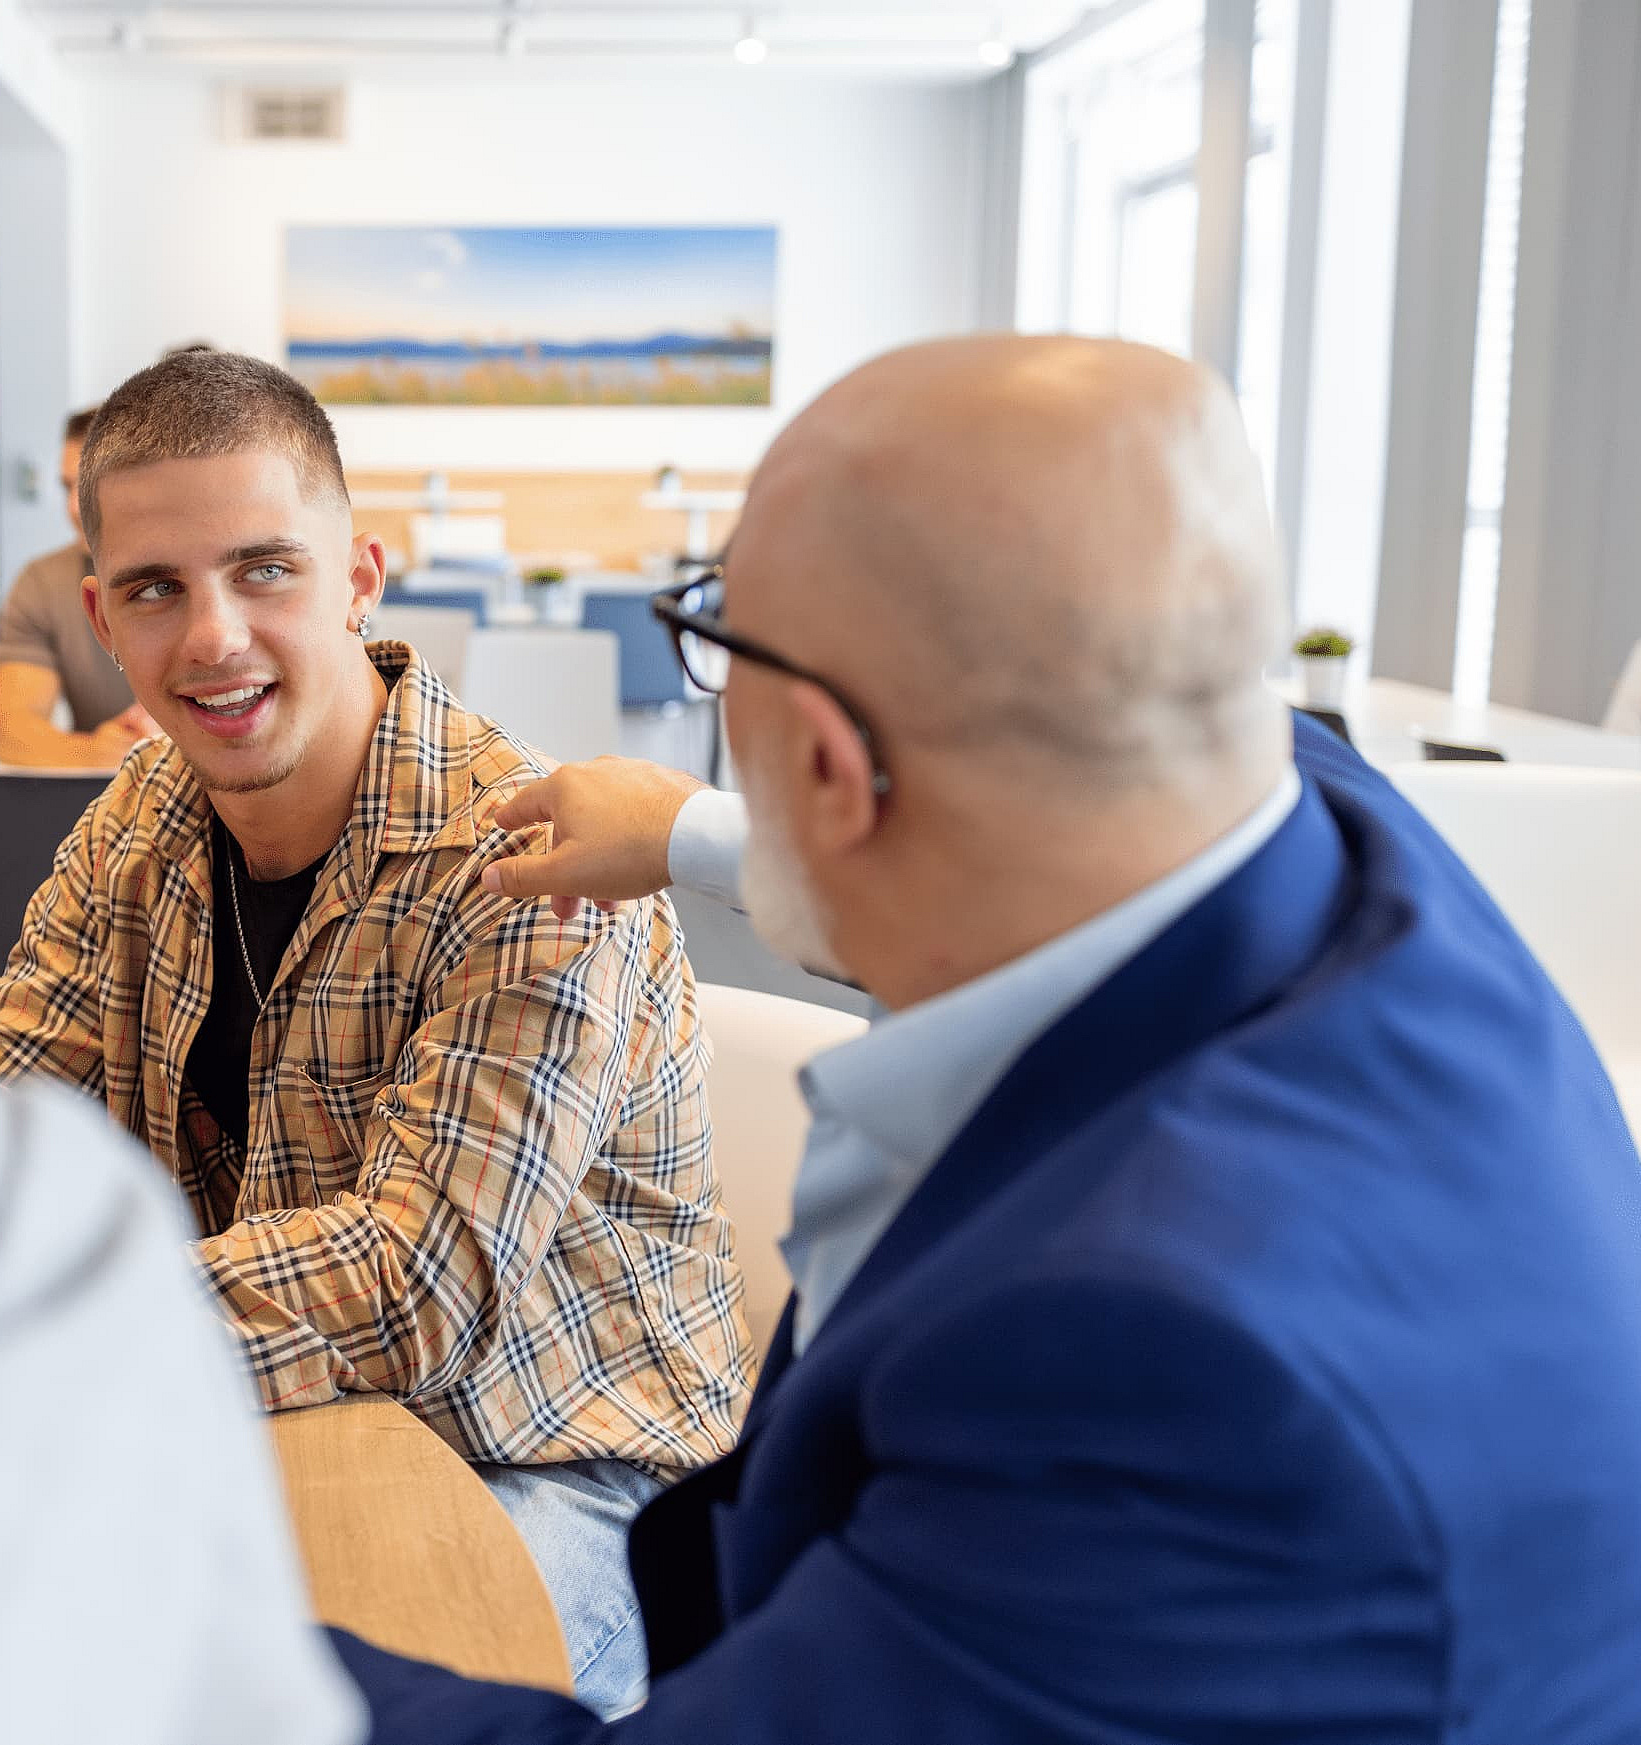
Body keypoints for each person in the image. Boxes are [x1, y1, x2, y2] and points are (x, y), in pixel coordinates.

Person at [337, 335, 1641, 1741]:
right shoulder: (1322, 819)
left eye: (715, 634)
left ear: (834, 766)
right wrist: (693, 829)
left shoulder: (1158, 1374)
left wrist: (157, 1618)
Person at [0, 349, 750, 1718]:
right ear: (102, 619)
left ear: (360, 576)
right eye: (156, 590)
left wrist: (44, 1302)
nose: (211, 637)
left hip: (555, 1464)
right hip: (273, 1418)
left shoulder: (534, 856)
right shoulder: (135, 820)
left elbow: (415, 1277)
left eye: (264, 570)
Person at [0, 1073, 363, 1745]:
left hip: (492, 1437)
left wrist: (124, 1296)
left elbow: (416, 1268)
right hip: (219, 1381)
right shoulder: (30, 1178)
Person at [0, 406, 158, 767]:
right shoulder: (42, 583)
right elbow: (12, 732)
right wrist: (97, 752)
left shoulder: (198, 568)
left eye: (88, 488)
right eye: (67, 486)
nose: (72, 508)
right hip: (107, 798)